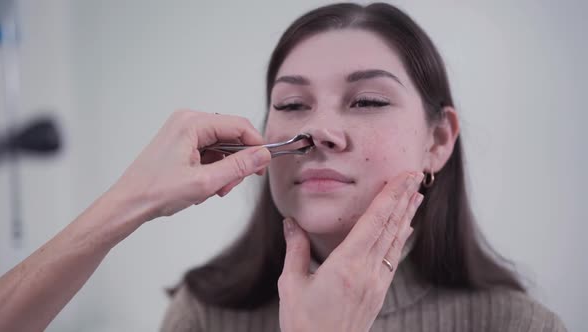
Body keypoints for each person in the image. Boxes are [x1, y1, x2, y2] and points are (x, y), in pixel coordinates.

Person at [159, 2, 566, 332]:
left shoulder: (519, 325)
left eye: (368, 101)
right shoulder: (203, 315)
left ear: (438, 141)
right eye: (292, 105)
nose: (318, 130)